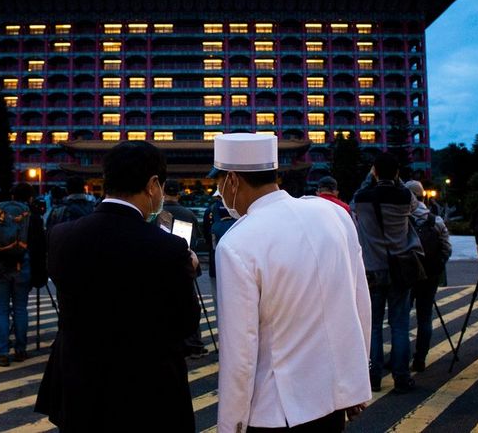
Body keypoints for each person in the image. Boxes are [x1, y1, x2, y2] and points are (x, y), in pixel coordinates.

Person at [35, 141, 200, 431]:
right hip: (147, 389)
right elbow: (185, 323)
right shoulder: (169, 249)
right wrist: (189, 270)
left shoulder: (61, 236)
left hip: (78, 384)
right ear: (152, 185)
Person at [213, 133, 371, 432]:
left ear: (232, 180)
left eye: (219, 183)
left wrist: (231, 424)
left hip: (275, 408)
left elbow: (240, 351)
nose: (219, 191)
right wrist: (354, 381)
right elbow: (358, 302)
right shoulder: (334, 214)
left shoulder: (237, 242)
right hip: (331, 398)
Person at [351, 152, 421, 393]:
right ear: (397, 173)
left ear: (374, 172)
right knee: (400, 325)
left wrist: (371, 178)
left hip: (372, 269)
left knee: (374, 326)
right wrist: (397, 179)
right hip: (400, 268)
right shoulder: (403, 196)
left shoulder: (362, 198)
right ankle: (402, 377)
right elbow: (416, 204)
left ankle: (374, 377)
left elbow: (352, 205)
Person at [0, 182, 46, 366]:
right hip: (22, 266)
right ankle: (20, 349)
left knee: (0, 309)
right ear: (30, 197)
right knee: (20, 308)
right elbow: (38, 246)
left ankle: (1, 352)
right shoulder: (32, 215)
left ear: (11, 196)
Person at [405, 181, 452, 372]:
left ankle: (400, 356)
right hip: (430, 275)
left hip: (407, 275)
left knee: (401, 318)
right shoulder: (436, 220)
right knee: (425, 317)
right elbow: (447, 249)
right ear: (423, 196)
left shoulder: (402, 219)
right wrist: (436, 266)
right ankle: (420, 358)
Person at [160, 178, 208, 359]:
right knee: (190, 303)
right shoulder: (188, 214)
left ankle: (171, 341)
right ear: (178, 193)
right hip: (186, 264)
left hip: (162, 267)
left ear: (163, 192)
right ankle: (194, 344)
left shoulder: (156, 213)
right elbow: (195, 241)